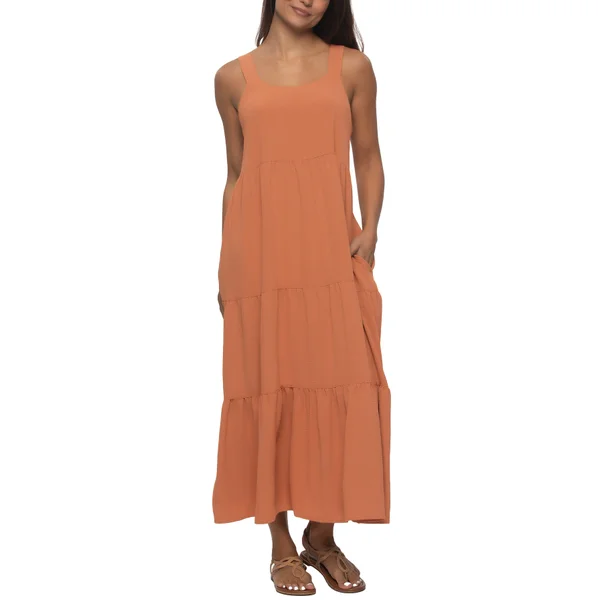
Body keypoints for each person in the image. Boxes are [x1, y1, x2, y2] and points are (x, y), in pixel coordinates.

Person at [212, 0, 391, 594]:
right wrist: (226, 263)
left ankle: (322, 535)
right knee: (270, 385)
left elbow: (369, 153)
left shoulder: (352, 68)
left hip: (329, 252)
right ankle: (281, 545)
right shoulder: (232, 78)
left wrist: (369, 232)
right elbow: (236, 175)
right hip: (258, 258)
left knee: (345, 380)